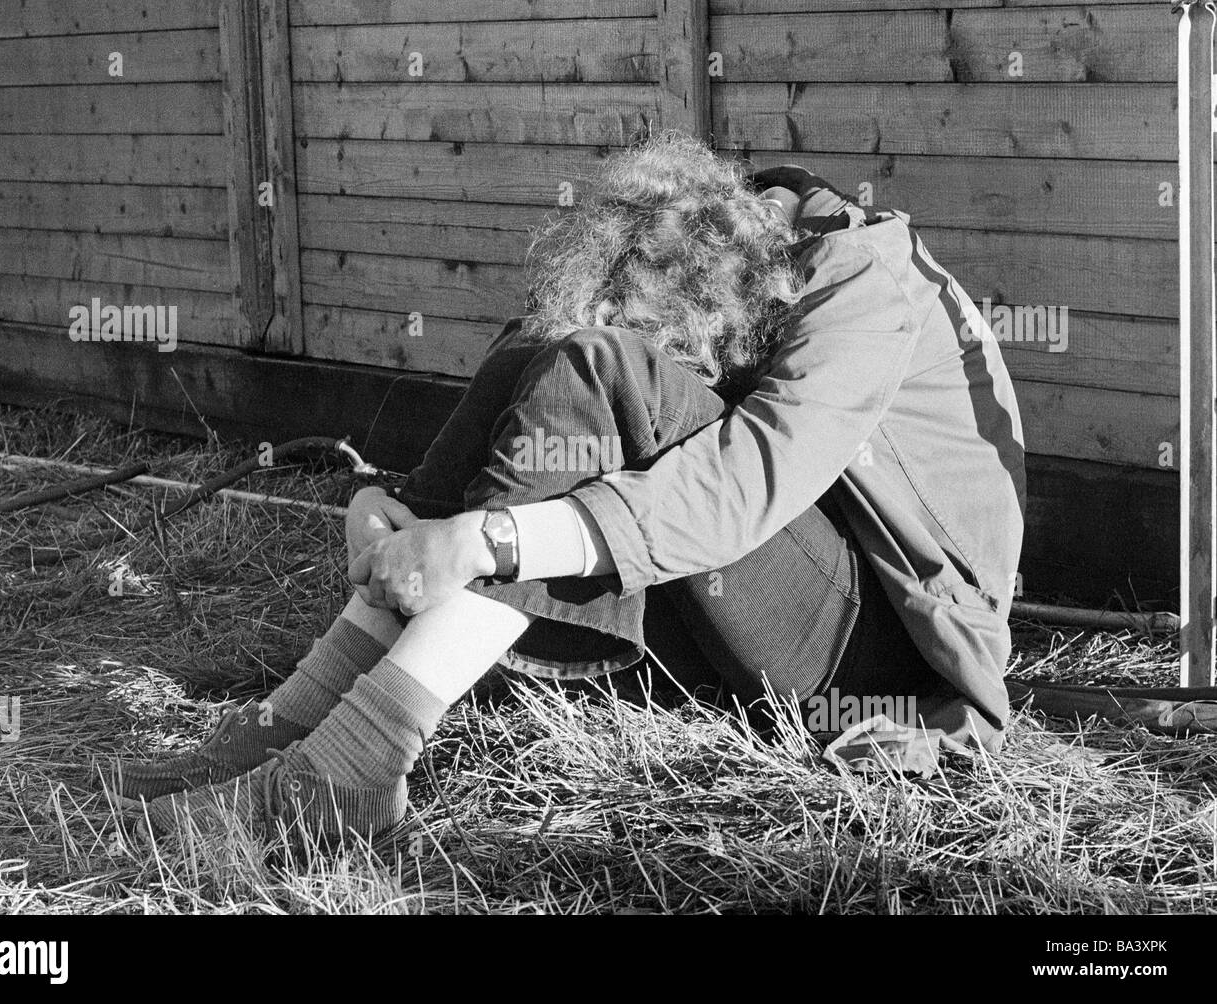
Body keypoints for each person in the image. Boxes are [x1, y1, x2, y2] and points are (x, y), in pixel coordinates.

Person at [107, 134, 1025, 846]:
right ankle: (299, 726)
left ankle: (359, 764)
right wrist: (398, 509)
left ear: (730, 300)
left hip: (879, 658)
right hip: (745, 606)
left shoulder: (862, 284)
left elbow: (749, 483)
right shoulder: (716, 243)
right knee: (547, 348)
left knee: (599, 365)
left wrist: (489, 543)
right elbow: (569, 346)